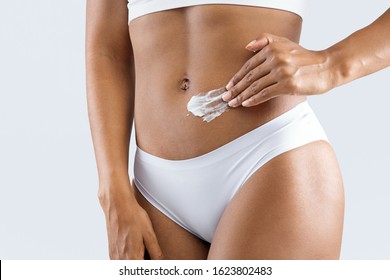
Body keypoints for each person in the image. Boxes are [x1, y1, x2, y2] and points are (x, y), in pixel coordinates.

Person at [85, 0, 390, 260]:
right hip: (155, 191)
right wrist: (113, 192)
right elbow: (106, 50)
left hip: (269, 163)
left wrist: (333, 64)